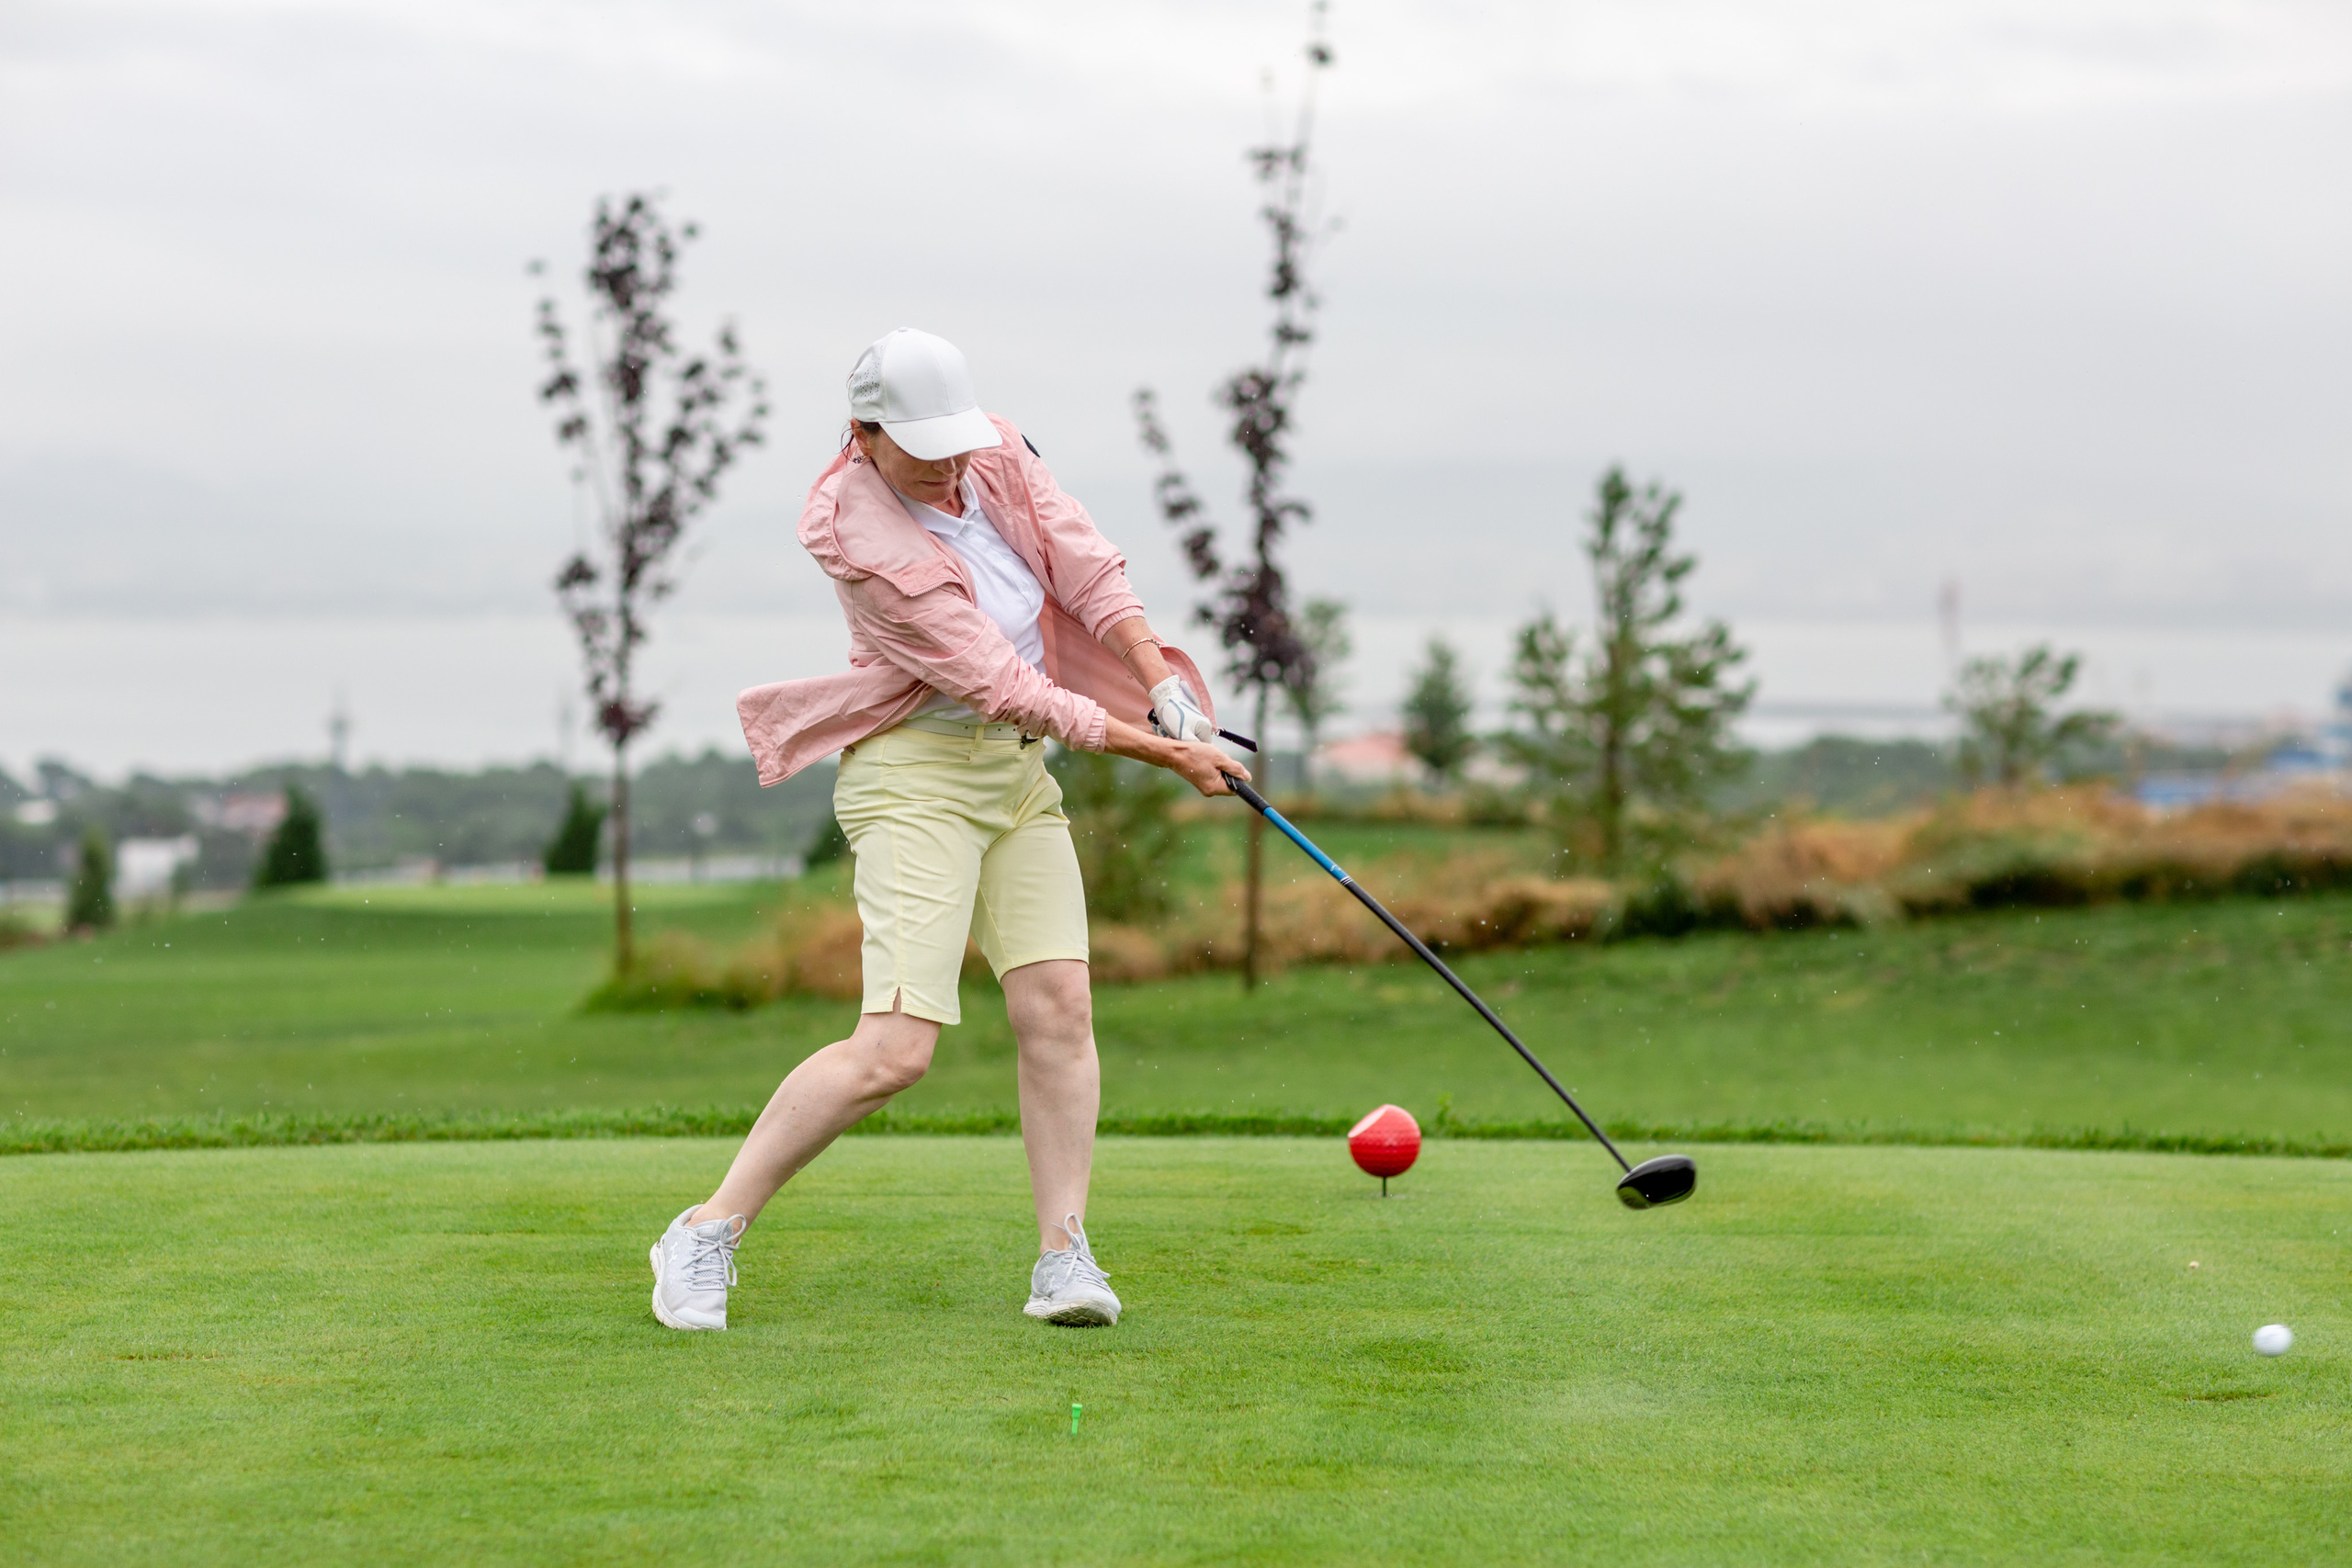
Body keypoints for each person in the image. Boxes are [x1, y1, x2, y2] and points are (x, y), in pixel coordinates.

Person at [649, 327, 1247, 1332]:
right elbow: (1005, 685)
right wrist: (1165, 753)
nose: (948, 464)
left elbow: (1085, 566)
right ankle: (704, 1231)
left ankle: (1064, 1256)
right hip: (913, 778)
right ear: (863, 435)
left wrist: (1161, 682)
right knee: (895, 1051)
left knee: (1058, 1007)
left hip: (1014, 780)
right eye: (922, 447)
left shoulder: (992, 450)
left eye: (955, 441)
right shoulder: (852, 530)